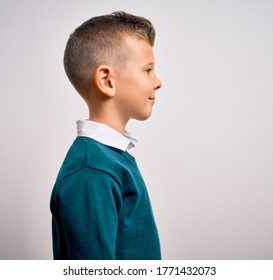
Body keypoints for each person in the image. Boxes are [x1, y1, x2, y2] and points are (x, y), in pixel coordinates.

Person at [50, 11, 163, 260]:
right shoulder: (91, 171)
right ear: (107, 80)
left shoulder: (111, 159)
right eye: (148, 70)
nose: (158, 82)